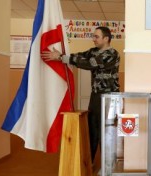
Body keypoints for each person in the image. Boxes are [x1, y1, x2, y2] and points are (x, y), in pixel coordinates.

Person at [41, 26, 120, 164]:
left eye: (96, 36)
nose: (93, 39)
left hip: (110, 97)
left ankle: (108, 166)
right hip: (96, 96)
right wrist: (61, 56)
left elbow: (90, 63)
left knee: (107, 131)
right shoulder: (93, 51)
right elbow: (81, 56)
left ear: (106, 38)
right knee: (92, 129)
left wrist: (61, 57)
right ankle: (88, 163)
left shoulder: (112, 54)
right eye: (93, 36)